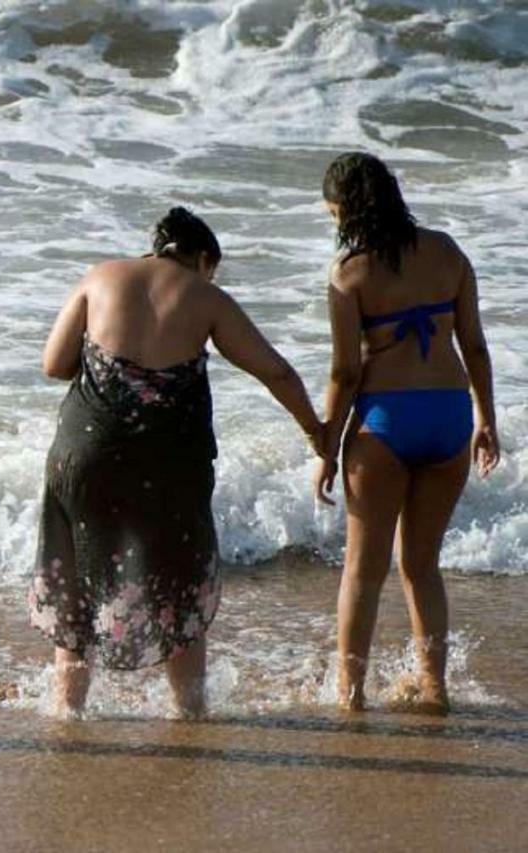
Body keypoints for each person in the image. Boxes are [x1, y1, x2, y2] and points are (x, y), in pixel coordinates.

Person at [29, 207, 325, 717]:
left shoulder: (100, 276)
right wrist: (316, 432)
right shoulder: (205, 295)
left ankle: (67, 712)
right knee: (179, 581)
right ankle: (189, 711)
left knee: (80, 580)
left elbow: (54, 365)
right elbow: (274, 371)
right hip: (166, 464)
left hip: (84, 451)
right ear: (203, 259)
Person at [314, 152, 498, 715]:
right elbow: (475, 346)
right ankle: (434, 685)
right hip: (448, 418)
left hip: (385, 424)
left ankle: (350, 696)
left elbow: (346, 373)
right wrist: (487, 419)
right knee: (422, 567)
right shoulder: (448, 253)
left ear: (346, 209)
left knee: (363, 573)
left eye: (332, 211)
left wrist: (327, 443)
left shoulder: (350, 274)